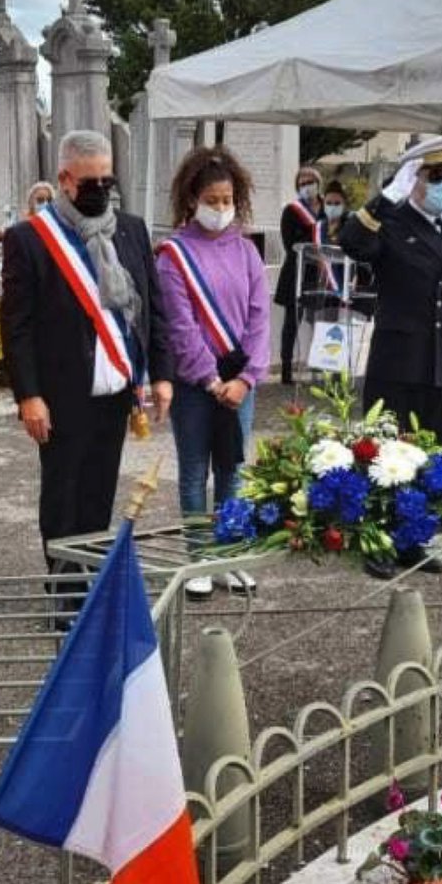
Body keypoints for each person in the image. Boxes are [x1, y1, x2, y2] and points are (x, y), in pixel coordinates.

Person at [0, 130, 173, 602]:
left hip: (118, 390)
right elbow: (16, 326)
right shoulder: (30, 239)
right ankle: (63, 592)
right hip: (62, 392)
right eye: (90, 181)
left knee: (98, 493)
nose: (101, 189)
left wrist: (161, 374)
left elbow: (153, 308)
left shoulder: (132, 229)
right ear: (65, 180)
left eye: (107, 179)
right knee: (63, 497)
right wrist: (28, 396)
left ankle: (90, 587)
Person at [156, 147, 270, 600]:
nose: (219, 208)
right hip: (195, 383)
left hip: (240, 381)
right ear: (192, 199)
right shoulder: (173, 255)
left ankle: (230, 556)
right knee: (193, 472)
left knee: (232, 469)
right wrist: (209, 378)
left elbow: (260, 318)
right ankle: (198, 558)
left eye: (226, 200)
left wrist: (247, 378)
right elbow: (180, 326)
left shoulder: (246, 251)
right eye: (212, 199)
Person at [340, 136, 442, 447]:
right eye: (436, 177)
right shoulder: (391, 222)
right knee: (390, 468)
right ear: (413, 178)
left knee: (434, 467)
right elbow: (352, 242)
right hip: (400, 369)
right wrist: (388, 197)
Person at [274, 165, 323, 384]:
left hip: (323, 274)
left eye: (310, 181)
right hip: (297, 272)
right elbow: (289, 244)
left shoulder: (327, 207)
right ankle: (286, 368)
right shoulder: (292, 210)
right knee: (292, 322)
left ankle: (321, 367)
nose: (307, 186)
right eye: (302, 183)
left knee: (320, 321)